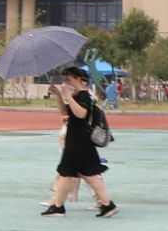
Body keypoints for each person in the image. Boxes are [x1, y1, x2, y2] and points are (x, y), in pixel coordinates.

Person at [42, 66, 118, 218]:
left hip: (77, 142)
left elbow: (81, 114)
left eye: (68, 79)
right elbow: (65, 112)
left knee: (66, 172)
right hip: (81, 141)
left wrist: (67, 96)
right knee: (89, 173)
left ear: (80, 80)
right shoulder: (77, 96)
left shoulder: (84, 95)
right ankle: (107, 204)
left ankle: (58, 206)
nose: (66, 83)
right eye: (65, 80)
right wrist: (59, 95)